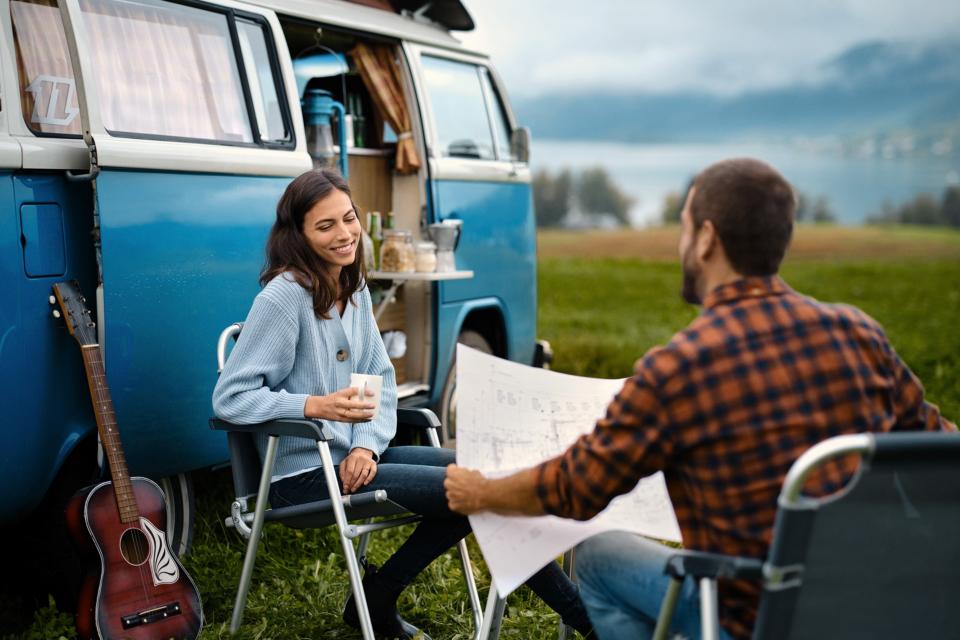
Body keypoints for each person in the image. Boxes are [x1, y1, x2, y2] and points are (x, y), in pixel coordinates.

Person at [444, 157, 958, 640]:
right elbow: (940, 449)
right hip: (874, 604)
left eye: (685, 226)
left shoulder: (681, 368)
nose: (682, 241)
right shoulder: (859, 333)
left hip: (755, 618)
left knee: (599, 558)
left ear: (707, 239)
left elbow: (576, 488)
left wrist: (483, 493)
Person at [212, 168, 593, 640]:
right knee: (473, 494)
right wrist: (316, 407)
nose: (344, 234)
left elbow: (381, 382)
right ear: (298, 235)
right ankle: (590, 622)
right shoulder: (284, 297)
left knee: (484, 477)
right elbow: (231, 398)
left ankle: (376, 598)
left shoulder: (351, 290)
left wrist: (365, 448)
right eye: (325, 225)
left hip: (354, 461)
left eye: (348, 219)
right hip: (302, 476)